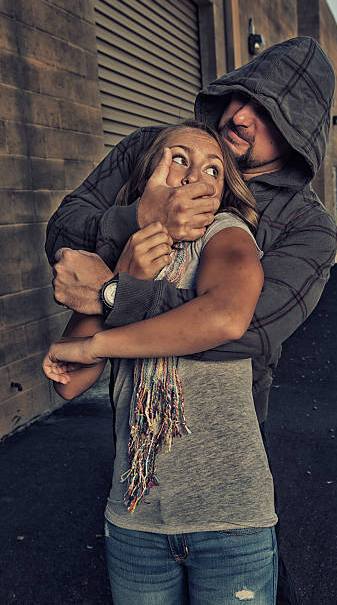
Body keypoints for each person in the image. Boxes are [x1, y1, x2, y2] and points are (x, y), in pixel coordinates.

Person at [46, 37, 337, 604]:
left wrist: (112, 293)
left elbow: (240, 328)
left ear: (298, 132)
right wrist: (138, 217)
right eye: (239, 96)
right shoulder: (153, 150)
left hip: (231, 451)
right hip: (138, 466)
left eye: (267, 111)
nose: (240, 114)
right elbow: (64, 233)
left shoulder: (304, 226)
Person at [44, 120, 280, 604]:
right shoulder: (125, 251)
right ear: (149, 176)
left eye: (214, 169)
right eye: (179, 159)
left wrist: (102, 331)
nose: (197, 175)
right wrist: (125, 273)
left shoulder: (226, 234)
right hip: (135, 517)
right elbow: (70, 384)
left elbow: (227, 316)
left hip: (230, 518)